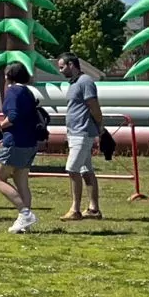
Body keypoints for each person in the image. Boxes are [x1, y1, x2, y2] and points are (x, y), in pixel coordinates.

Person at [0, 63, 42, 233]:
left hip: (14, 142)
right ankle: (24, 222)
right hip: (30, 143)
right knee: (22, 182)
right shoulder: (27, 92)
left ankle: (25, 213)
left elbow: (13, 116)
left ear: (8, 76)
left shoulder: (12, 91)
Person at [58, 53, 104, 220]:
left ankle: (75, 209)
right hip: (75, 132)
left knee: (72, 169)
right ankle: (93, 209)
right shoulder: (74, 83)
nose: (60, 71)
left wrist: (100, 126)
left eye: (62, 67)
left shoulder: (85, 82)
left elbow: (93, 105)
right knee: (86, 170)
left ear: (72, 65)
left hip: (83, 132)